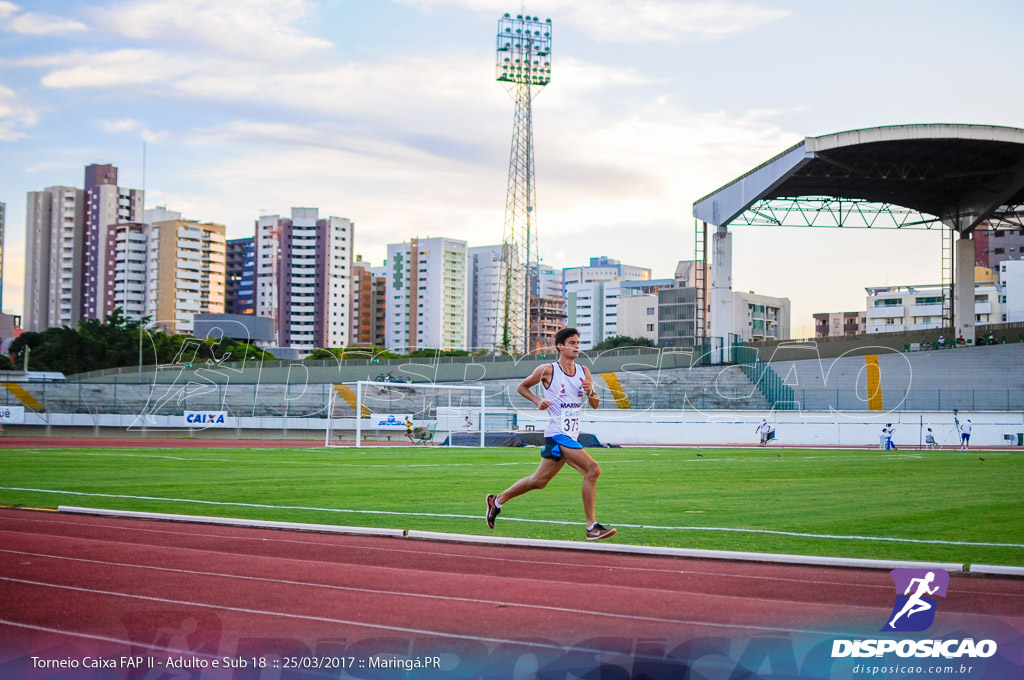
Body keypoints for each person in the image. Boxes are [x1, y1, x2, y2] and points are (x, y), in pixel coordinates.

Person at [485, 327, 616, 541]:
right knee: (593, 470)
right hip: (557, 433)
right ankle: (592, 526)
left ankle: (496, 501)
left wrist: (591, 390)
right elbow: (522, 387)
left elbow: (595, 404)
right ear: (560, 346)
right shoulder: (548, 370)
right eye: (572, 343)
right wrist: (538, 401)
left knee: (539, 481)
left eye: (578, 343)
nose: (576, 347)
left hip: (571, 434)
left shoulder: (584, 372)